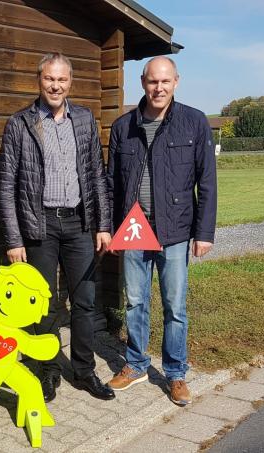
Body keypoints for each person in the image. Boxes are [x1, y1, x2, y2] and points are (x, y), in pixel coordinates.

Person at [0, 52, 115, 403]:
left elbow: (97, 174)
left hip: (80, 222)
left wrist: (103, 224)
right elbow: (6, 186)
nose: (55, 85)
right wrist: (14, 238)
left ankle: (83, 369)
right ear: (39, 80)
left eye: (62, 80)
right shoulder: (20, 123)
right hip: (40, 225)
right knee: (43, 304)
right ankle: (47, 371)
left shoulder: (84, 120)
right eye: (50, 78)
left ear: (70, 83)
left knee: (85, 301)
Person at [106, 56, 216, 406]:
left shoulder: (194, 122)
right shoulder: (123, 126)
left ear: (176, 82)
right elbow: (111, 184)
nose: (159, 88)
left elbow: (207, 182)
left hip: (176, 230)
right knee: (135, 301)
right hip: (134, 230)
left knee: (175, 305)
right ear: (143, 82)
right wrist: (109, 229)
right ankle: (136, 364)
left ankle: (175, 373)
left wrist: (205, 233)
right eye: (153, 81)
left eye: (165, 82)